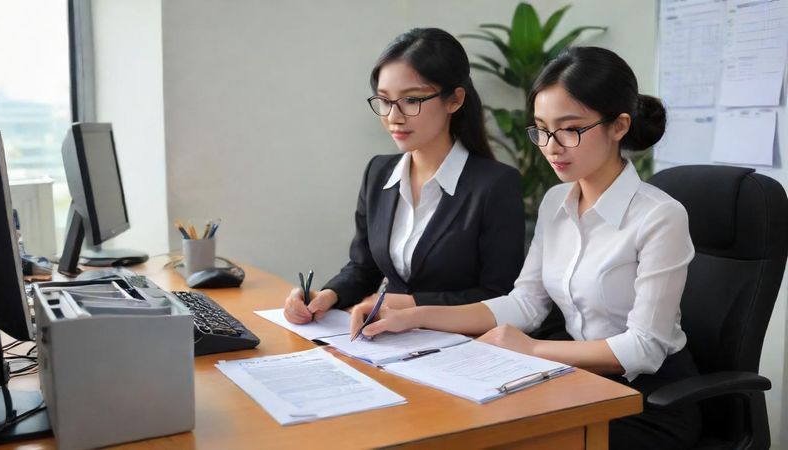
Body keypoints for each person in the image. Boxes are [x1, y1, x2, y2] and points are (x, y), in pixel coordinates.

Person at [353, 46, 701, 450]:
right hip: (579, 383)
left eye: (569, 129)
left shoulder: (660, 216)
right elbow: (526, 304)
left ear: (619, 126)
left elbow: (645, 347)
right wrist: (414, 315)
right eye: (541, 129)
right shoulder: (556, 201)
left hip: (650, 403)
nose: (551, 146)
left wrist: (532, 348)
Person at [283, 28, 526, 324]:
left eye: (411, 100)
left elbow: (499, 295)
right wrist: (327, 295)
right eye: (384, 100)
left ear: (454, 100)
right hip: (387, 342)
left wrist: (411, 305)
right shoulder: (379, 172)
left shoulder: (496, 185)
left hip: (462, 348)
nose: (393, 116)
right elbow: (363, 268)